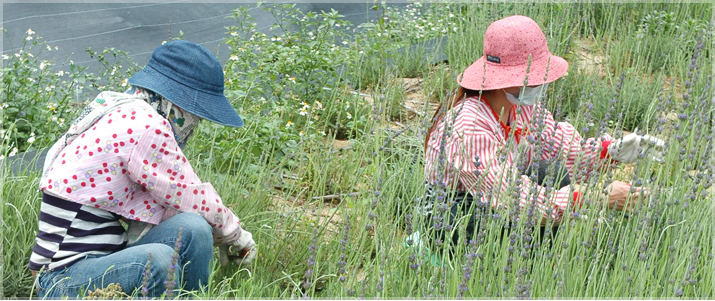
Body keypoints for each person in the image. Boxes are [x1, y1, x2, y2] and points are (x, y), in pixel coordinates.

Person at [30, 40, 256, 298]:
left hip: (103, 260)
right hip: (62, 277)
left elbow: (170, 207)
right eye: (195, 114)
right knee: (157, 259)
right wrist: (235, 234)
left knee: (194, 228)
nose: (194, 124)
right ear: (175, 104)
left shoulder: (123, 110)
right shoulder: (147, 126)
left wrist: (216, 233)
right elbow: (189, 194)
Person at [418, 15, 664, 247]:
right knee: (527, 206)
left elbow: (565, 149)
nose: (539, 83)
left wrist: (611, 151)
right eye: (531, 76)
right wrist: (596, 197)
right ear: (501, 78)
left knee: (550, 171)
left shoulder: (522, 108)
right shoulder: (468, 126)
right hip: (452, 218)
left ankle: (538, 260)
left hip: (490, 203)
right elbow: (511, 200)